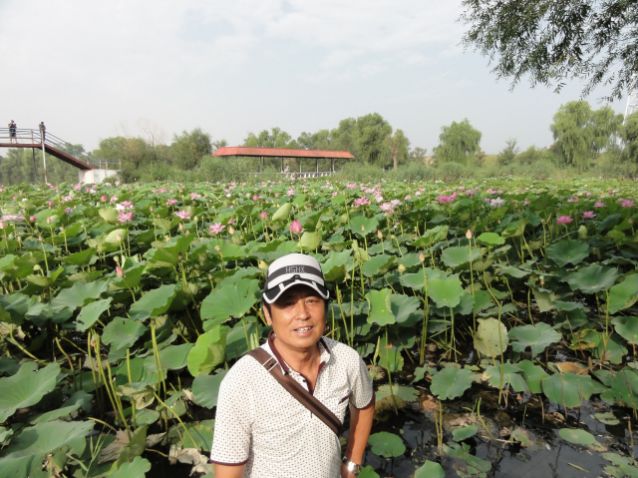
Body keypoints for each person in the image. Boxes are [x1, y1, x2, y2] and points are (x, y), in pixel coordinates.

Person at [210, 253, 375, 478]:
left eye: (312, 300)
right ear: (267, 314)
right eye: (287, 303)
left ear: (326, 307)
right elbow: (228, 473)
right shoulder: (241, 381)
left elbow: (365, 404)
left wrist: (351, 464)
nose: (303, 314)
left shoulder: (347, 360)